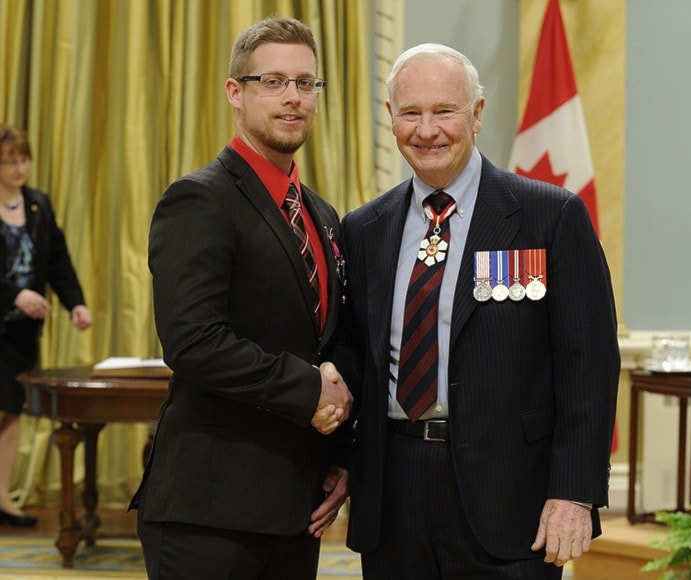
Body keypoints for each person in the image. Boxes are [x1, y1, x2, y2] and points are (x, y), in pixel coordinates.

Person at [335, 44, 620, 578]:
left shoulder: (548, 217)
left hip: (513, 500)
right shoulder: (364, 229)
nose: (427, 130)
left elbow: (590, 365)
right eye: (410, 113)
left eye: (445, 111)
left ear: (478, 115)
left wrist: (575, 493)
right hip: (395, 496)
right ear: (391, 119)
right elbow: (355, 354)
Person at [129, 16, 352, 580]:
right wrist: (310, 391)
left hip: (295, 507)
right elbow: (193, 342)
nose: (293, 97)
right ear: (236, 92)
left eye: (306, 83)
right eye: (273, 81)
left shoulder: (322, 215)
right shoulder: (199, 200)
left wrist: (342, 455)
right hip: (209, 512)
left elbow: (331, 342)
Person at [0, 124, 93, 527]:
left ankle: (1, 498)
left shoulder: (38, 204)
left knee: (11, 411)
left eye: (23, 160)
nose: (19, 168)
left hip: (21, 333)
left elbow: (58, 260)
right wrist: (14, 295)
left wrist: (76, 303)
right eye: (9, 161)